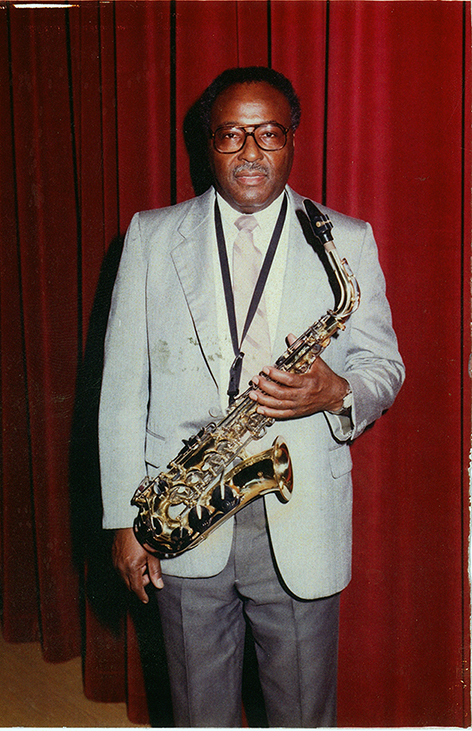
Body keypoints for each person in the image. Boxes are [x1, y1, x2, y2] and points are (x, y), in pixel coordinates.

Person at [98, 66, 404, 727]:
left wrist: (337, 390)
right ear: (207, 143)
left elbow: (386, 366)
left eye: (268, 133)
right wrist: (124, 520)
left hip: (299, 517)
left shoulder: (345, 240)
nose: (250, 151)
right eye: (231, 134)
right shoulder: (150, 236)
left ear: (293, 139)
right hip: (181, 519)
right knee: (197, 712)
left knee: (300, 712)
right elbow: (122, 389)